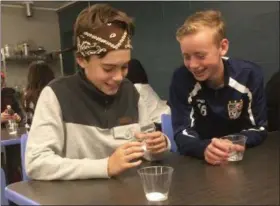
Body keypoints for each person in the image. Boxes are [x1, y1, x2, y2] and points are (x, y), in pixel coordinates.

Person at [25, 4, 171, 180]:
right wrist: (106, 166)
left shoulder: (131, 92)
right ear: (81, 59)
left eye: (124, 67)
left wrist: (158, 146)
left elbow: (146, 150)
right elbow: (36, 163)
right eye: (108, 68)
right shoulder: (56, 94)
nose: (119, 77)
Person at [169, 10, 267, 165]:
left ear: (222, 47)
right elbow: (181, 132)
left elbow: (258, 128)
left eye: (200, 56)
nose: (193, 65)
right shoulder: (181, 79)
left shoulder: (249, 75)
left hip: (241, 158)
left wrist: (233, 143)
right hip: (200, 161)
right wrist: (205, 148)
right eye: (186, 56)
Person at [127, 59, 170, 126]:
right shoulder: (144, 86)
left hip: (159, 122)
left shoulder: (135, 89)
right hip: (166, 116)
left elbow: (141, 121)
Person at [22, 61, 55, 126]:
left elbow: (28, 119)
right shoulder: (51, 93)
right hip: (50, 131)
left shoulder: (27, 95)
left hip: (33, 131)